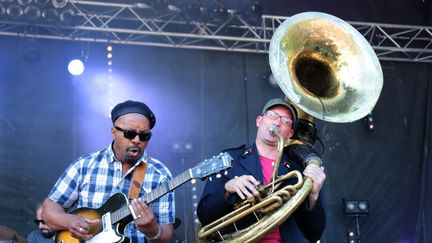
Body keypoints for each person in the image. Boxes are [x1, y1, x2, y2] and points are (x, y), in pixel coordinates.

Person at [42, 100, 175, 242]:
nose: (137, 140)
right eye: (130, 133)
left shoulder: (160, 175)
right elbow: (49, 209)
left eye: (144, 136)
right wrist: (71, 221)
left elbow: (166, 234)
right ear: (114, 132)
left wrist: (152, 231)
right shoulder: (85, 166)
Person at [197, 98, 326, 242]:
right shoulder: (228, 160)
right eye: (272, 115)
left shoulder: (300, 171)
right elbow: (204, 216)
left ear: (289, 134)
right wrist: (227, 190)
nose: (277, 122)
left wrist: (313, 198)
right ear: (259, 120)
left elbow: (314, 234)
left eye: (285, 120)